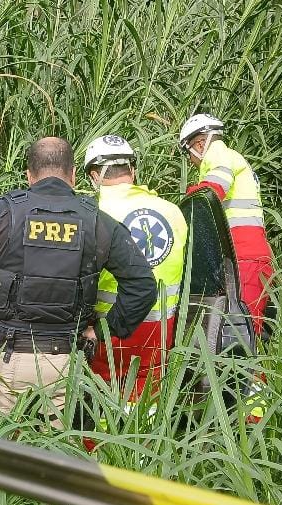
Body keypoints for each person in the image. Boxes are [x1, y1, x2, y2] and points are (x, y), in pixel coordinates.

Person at [0, 137, 156, 431]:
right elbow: (143, 286)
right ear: (73, 175)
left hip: (4, 360)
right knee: (56, 465)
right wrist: (103, 329)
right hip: (64, 363)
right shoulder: (98, 222)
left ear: (28, 175)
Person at [83, 135, 188, 400]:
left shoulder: (94, 212)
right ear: (132, 170)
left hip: (111, 326)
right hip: (162, 327)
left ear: (94, 175)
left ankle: (101, 441)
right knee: (148, 395)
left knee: (104, 395)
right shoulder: (173, 211)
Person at [179, 114, 274, 336]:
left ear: (200, 144)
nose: (191, 161)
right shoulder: (234, 157)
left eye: (188, 154)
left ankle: (251, 372)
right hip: (249, 252)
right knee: (246, 329)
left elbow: (211, 192)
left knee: (242, 333)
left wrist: (183, 204)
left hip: (243, 252)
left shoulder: (218, 154)